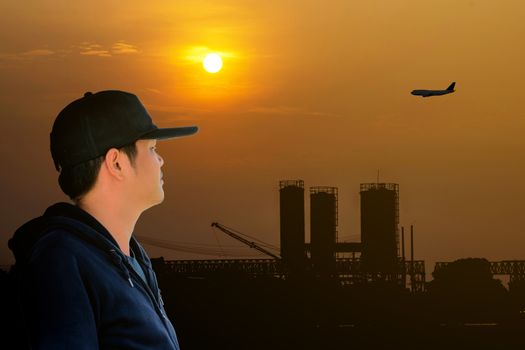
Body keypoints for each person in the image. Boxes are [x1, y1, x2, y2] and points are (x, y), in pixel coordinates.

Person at [8, 90, 198, 349]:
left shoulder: (131, 256)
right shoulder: (61, 260)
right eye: (152, 149)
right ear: (116, 163)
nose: (161, 160)